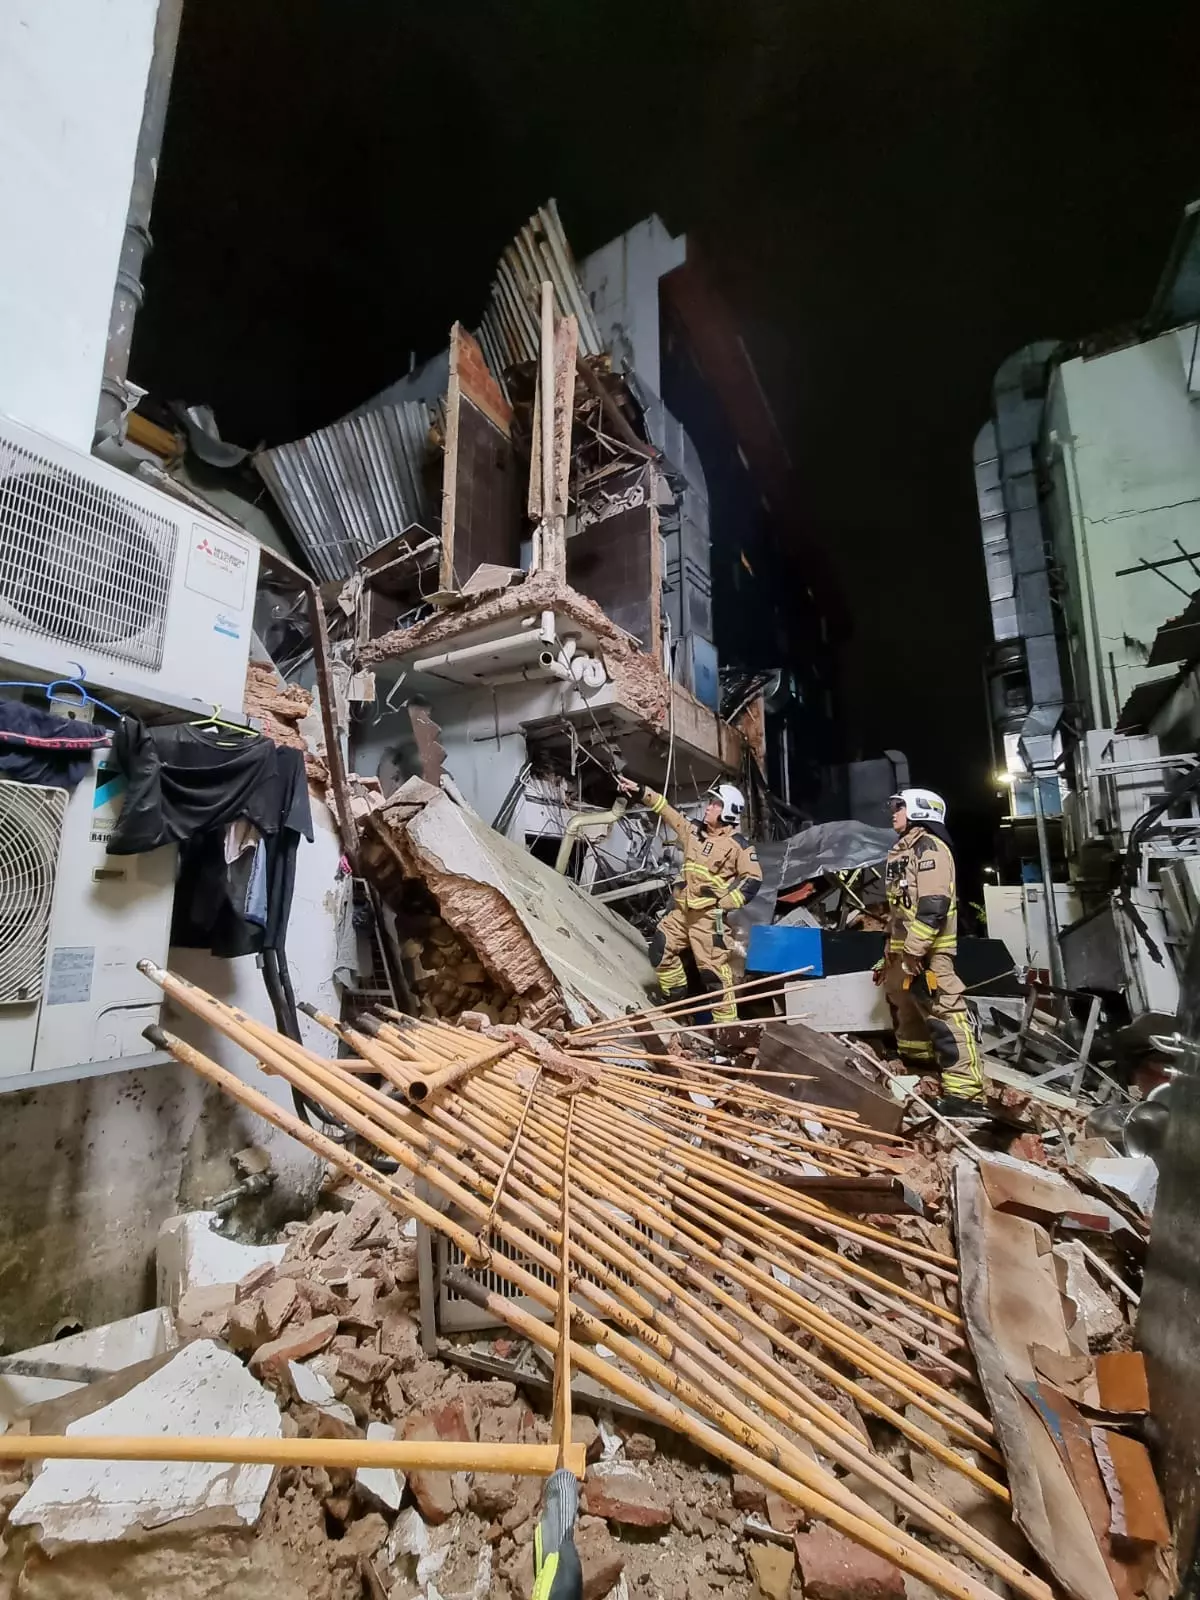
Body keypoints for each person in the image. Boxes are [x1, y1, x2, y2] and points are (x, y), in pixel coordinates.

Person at [617, 776, 762, 1023]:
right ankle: (675, 1000)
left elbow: (754, 879)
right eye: (711, 803)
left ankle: (727, 1029)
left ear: (728, 811)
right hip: (681, 912)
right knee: (660, 952)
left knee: (714, 975)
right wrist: (641, 790)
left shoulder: (738, 846)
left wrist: (724, 903)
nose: (709, 807)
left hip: (707, 919)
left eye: (716, 804)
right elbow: (666, 810)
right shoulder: (692, 831)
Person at [874, 787, 984, 1112]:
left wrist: (914, 951)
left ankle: (966, 1094)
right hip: (907, 953)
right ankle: (920, 1066)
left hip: (931, 955)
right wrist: (889, 956)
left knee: (945, 1012)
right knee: (904, 1005)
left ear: (920, 811)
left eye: (899, 806)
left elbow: (933, 905)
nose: (893, 812)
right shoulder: (902, 853)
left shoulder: (930, 849)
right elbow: (899, 913)